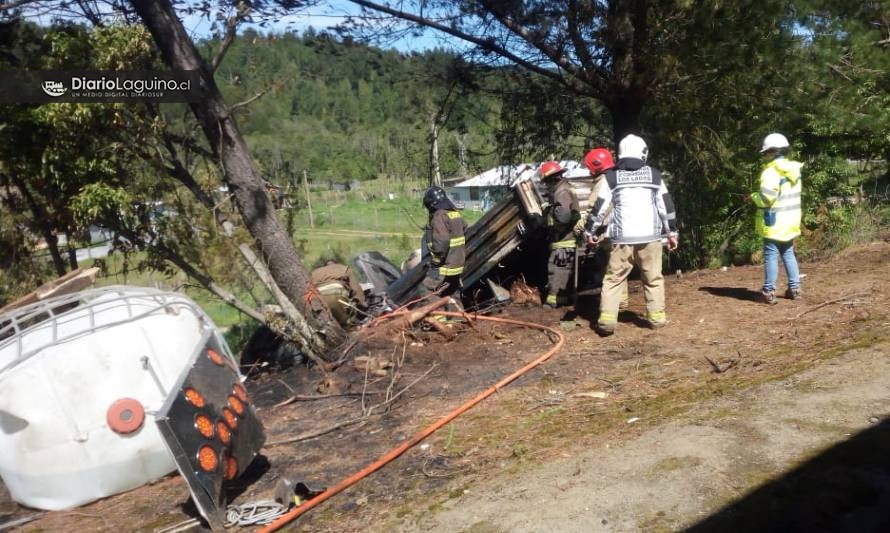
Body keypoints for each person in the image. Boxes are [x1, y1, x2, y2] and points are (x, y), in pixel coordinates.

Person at [584, 134, 679, 335]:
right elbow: (666, 206)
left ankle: (607, 322)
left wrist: (589, 232)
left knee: (613, 279)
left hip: (621, 238)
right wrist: (672, 233)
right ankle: (657, 318)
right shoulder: (654, 175)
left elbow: (599, 208)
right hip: (650, 237)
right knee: (653, 278)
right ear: (643, 153)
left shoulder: (611, 177)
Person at [747, 133, 803, 304]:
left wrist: (754, 197)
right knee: (788, 252)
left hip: (774, 221)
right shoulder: (794, 169)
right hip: (791, 220)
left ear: (772, 152)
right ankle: (794, 289)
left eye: (765, 153)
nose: (764, 156)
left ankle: (769, 291)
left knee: (771, 254)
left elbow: (767, 199)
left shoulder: (771, 172)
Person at [574, 147, 628, 308]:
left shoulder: (602, 182)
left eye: (590, 166)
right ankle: (622, 301)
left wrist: (583, 225)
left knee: (612, 269)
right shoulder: (615, 177)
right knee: (617, 268)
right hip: (618, 229)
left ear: (596, 165)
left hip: (608, 232)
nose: (589, 170)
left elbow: (595, 209)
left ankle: (617, 303)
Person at [538, 161, 581, 309]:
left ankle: (553, 301)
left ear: (552, 178)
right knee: (562, 270)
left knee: (556, 269)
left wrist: (548, 212)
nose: (546, 185)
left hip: (564, 239)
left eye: (546, 181)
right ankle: (561, 299)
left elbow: (563, 217)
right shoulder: (563, 189)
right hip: (565, 239)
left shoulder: (561, 192)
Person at [421, 186, 467, 302]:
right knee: (451, 292)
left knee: (427, 289)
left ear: (431, 204)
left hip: (445, 267)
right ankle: (458, 318)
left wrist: (435, 261)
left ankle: (438, 318)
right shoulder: (454, 214)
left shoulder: (439, 216)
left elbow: (442, 242)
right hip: (457, 266)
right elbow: (465, 227)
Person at [310, 259, 367, 327]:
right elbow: (356, 288)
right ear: (336, 264)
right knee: (348, 323)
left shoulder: (314, 272)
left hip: (319, 300)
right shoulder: (344, 268)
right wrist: (361, 303)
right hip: (337, 297)